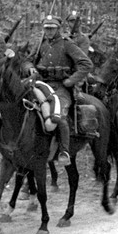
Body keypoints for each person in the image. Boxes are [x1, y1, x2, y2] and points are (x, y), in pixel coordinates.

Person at [23, 15, 93, 167]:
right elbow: (27, 60)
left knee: (58, 115)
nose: (48, 32)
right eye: (46, 28)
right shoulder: (41, 44)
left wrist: (71, 80)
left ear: (58, 29)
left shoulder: (67, 44)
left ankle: (64, 151)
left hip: (61, 87)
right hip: (41, 84)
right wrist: (30, 68)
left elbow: (86, 64)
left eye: (51, 28)